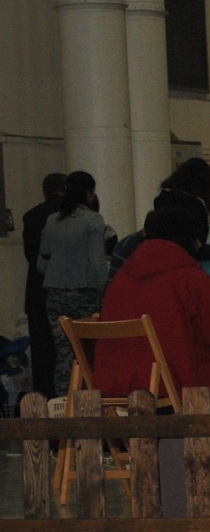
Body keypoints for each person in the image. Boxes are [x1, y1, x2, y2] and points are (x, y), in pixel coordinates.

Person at [94, 207, 210, 408]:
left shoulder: (122, 278)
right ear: (189, 239)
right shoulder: (191, 278)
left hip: (114, 385)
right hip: (174, 387)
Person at [37, 170, 110, 396]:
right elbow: (98, 263)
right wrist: (105, 290)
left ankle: (63, 400)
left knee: (63, 352)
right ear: (89, 193)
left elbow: (42, 261)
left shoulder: (52, 221)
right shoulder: (93, 220)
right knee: (87, 352)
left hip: (55, 294)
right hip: (85, 293)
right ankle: (87, 398)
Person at [22, 172, 66, 397]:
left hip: (37, 293)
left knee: (42, 354)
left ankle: (43, 403)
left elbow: (31, 255)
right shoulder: (72, 216)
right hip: (66, 291)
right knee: (66, 352)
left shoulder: (31, 216)